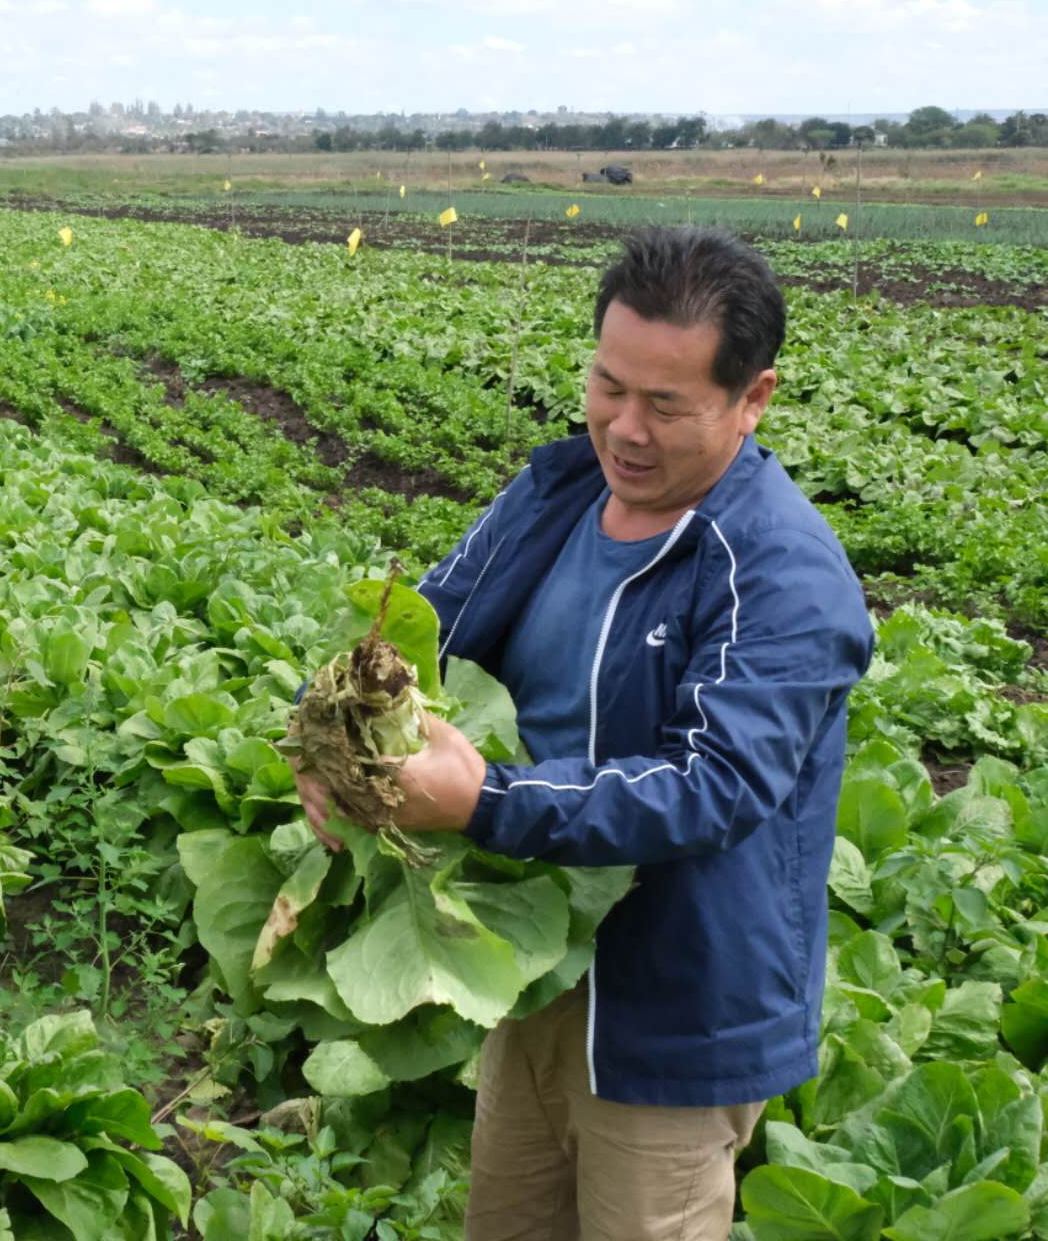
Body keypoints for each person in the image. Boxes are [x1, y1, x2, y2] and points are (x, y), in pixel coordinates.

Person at [296, 227, 874, 1239]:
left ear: (754, 398)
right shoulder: (559, 491)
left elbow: (712, 784)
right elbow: (427, 624)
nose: (625, 426)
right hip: (530, 963)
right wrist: (334, 746)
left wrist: (485, 801)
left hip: (672, 1015)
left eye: (666, 403)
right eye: (609, 384)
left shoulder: (781, 571)